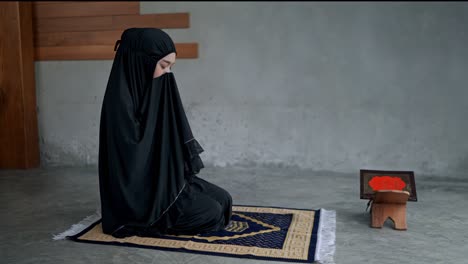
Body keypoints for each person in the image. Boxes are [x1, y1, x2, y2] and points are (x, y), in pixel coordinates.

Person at [98, 28, 232, 238]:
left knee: (224, 200)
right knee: (211, 212)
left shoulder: (154, 89)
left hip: (166, 180)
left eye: (171, 66)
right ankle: (157, 220)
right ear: (141, 62)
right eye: (163, 66)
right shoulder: (119, 103)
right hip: (143, 198)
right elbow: (134, 165)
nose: (168, 74)